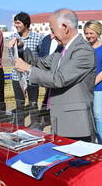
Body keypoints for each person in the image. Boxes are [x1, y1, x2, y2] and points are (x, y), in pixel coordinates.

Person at [14, 9, 96, 142]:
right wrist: (22, 48)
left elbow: (59, 79)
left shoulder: (83, 50)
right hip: (59, 118)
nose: (51, 36)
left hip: (75, 124)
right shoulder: (61, 49)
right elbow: (42, 63)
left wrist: (28, 69)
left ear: (65, 27)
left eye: (53, 30)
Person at [8, 11, 44, 127]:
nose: (16, 25)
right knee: (20, 105)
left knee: (33, 104)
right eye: (15, 23)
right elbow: (10, 58)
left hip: (32, 76)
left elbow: (40, 58)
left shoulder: (38, 38)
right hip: (16, 77)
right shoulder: (12, 38)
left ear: (26, 23)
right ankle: (20, 128)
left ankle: (34, 128)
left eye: (18, 23)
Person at [84, 20, 102, 145]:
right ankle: (89, 138)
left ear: (98, 32)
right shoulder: (83, 48)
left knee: (98, 114)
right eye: (86, 33)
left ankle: (100, 142)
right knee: (87, 113)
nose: (89, 36)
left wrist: (92, 83)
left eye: (91, 33)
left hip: (100, 87)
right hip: (84, 86)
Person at [38, 34, 62, 128]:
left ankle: (54, 120)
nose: (52, 36)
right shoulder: (46, 39)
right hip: (47, 72)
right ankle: (47, 118)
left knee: (54, 97)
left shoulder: (64, 41)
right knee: (48, 96)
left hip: (58, 74)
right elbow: (41, 55)